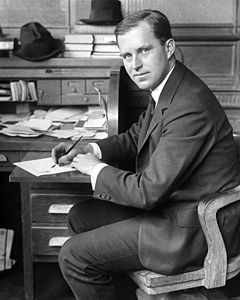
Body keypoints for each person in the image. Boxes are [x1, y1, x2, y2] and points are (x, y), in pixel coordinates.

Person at [52, 9, 240, 300]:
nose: (135, 65)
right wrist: (91, 148)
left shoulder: (189, 104)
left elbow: (148, 192)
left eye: (143, 51)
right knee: (81, 216)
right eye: (127, 56)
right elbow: (134, 138)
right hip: (171, 211)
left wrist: (94, 169)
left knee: (73, 256)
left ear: (168, 48)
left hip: (191, 230)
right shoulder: (167, 86)